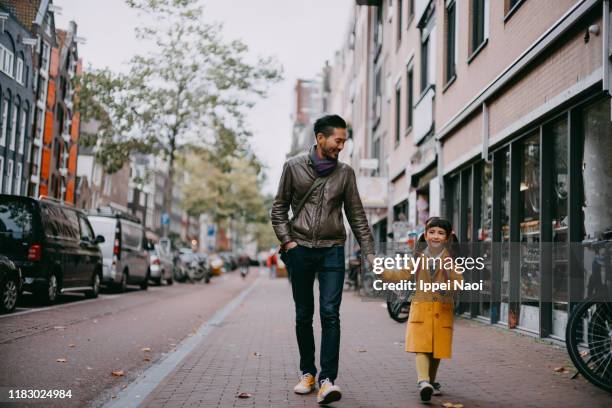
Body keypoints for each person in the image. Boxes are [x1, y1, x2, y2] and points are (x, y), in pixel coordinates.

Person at [271, 114, 375, 405]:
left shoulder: (345, 174)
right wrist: (288, 242)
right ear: (320, 138)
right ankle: (308, 373)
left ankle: (328, 380)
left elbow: (357, 216)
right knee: (304, 314)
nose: (341, 146)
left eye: (344, 141)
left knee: (330, 313)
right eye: (337, 140)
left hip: (332, 249)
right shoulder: (293, 167)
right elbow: (278, 209)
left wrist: (369, 253)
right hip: (300, 248)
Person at [382, 217, 463, 403]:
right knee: (421, 347)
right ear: (425, 235)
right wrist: (383, 271)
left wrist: (448, 287)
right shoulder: (418, 258)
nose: (436, 236)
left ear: (447, 238)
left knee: (437, 350)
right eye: (432, 232)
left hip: (442, 310)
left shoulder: (450, 259)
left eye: (441, 233)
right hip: (421, 309)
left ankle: (430, 383)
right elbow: (402, 273)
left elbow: (458, 282)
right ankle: (423, 381)